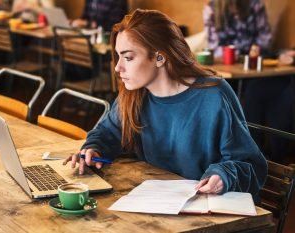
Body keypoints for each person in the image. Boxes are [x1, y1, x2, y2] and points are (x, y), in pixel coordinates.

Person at [63, 9, 267, 200]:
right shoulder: (134, 93)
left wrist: (222, 177)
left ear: (159, 57)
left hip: (204, 206)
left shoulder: (213, 96)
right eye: (118, 57)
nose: (117, 67)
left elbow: (249, 164)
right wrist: (93, 150)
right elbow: (106, 133)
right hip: (152, 201)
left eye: (128, 57)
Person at [203, 0, 293, 162]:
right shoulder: (212, 8)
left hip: (254, 66)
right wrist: (238, 54)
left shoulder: (254, 4)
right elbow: (214, 46)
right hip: (228, 66)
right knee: (222, 90)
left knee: (266, 89)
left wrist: (257, 49)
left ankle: (261, 153)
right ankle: (234, 151)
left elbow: (265, 39)